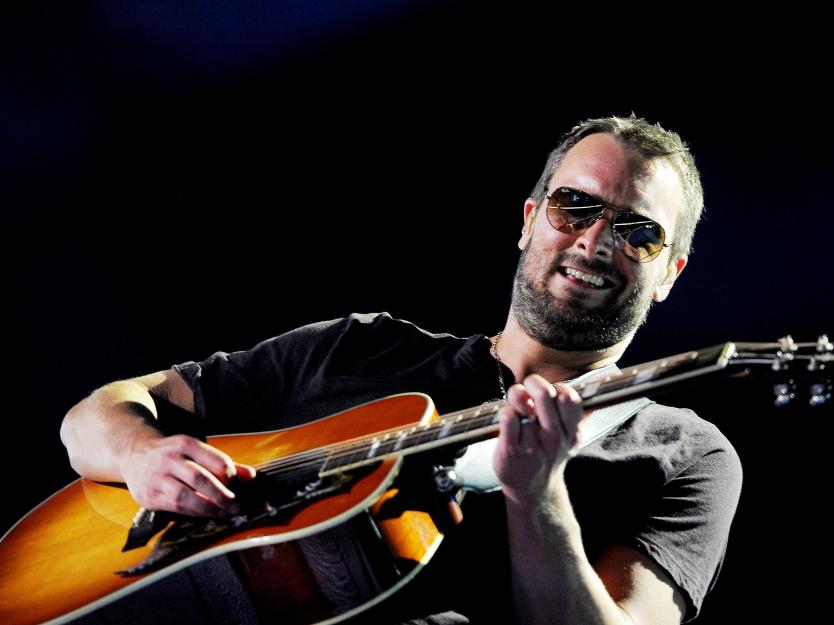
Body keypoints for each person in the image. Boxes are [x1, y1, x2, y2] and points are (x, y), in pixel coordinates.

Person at [61, 116, 742, 625]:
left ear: (668, 275)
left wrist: (537, 495)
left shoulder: (687, 456)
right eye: (575, 207)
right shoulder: (361, 348)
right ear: (531, 221)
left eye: (638, 232)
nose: (595, 239)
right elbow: (90, 420)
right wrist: (142, 453)